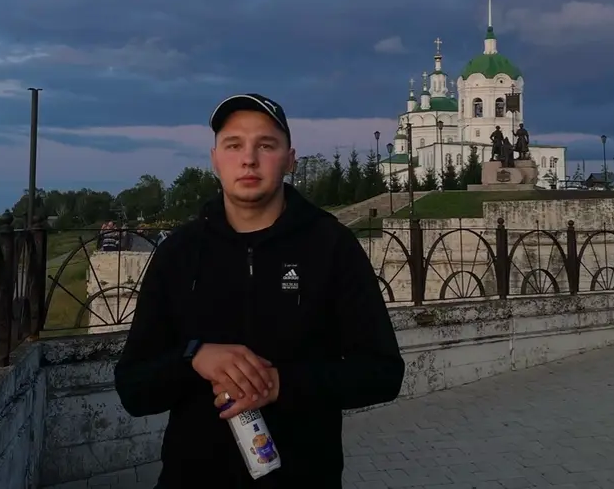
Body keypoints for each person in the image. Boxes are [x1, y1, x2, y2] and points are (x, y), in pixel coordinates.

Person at [114, 93, 405, 488]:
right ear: (215, 159)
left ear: (290, 159)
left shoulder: (331, 246)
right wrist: (193, 358)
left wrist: (281, 384)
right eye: (234, 145)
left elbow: (383, 374)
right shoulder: (178, 253)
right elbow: (133, 389)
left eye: (266, 145)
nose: (249, 159)